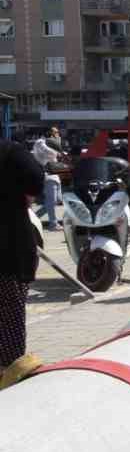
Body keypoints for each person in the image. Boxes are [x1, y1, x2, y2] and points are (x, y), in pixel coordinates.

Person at [1, 135, 46, 376]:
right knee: (9, 314)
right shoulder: (10, 151)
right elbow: (35, 180)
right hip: (7, 249)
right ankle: (8, 370)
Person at [30, 127, 65, 230]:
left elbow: (56, 157)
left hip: (54, 174)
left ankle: (32, 218)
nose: (57, 134)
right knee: (51, 200)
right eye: (55, 132)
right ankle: (53, 224)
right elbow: (51, 154)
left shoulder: (52, 143)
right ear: (49, 133)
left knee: (56, 200)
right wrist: (57, 152)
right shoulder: (40, 142)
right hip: (46, 175)